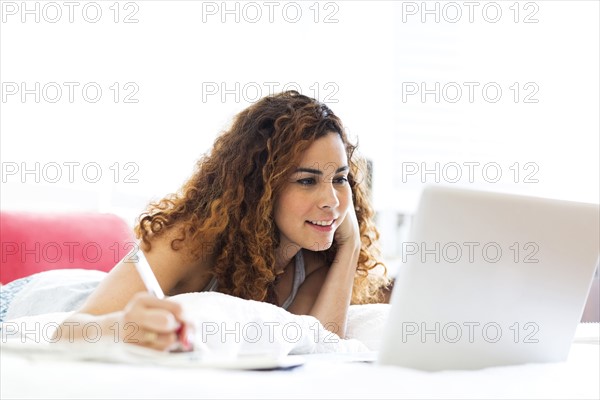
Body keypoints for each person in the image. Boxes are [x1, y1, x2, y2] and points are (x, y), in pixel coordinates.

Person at [54, 90, 392, 350]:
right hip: (38, 301)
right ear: (260, 187)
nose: (332, 201)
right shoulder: (189, 239)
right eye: (307, 180)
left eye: (340, 179)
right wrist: (125, 325)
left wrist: (351, 245)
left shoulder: (314, 263)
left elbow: (320, 347)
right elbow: (67, 331)